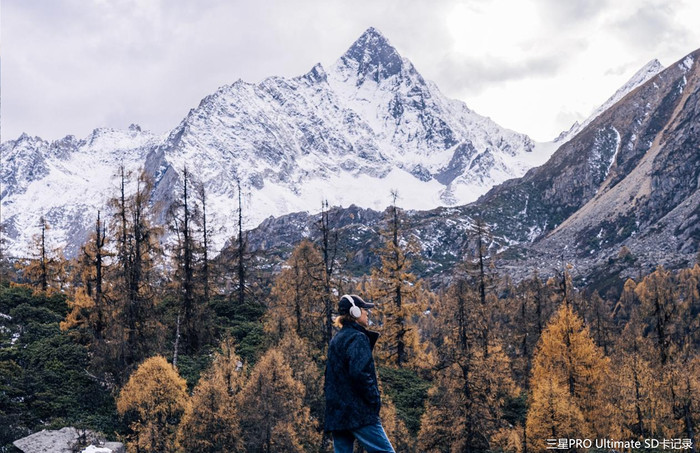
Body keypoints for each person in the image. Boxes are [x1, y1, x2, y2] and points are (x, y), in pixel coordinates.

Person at [324, 294, 396, 453]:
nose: (367, 313)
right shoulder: (358, 337)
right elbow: (359, 373)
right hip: (358, 412)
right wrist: (374, 399)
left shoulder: (337, 339)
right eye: (364, 310)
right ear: (355, 312)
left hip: (337, 414)